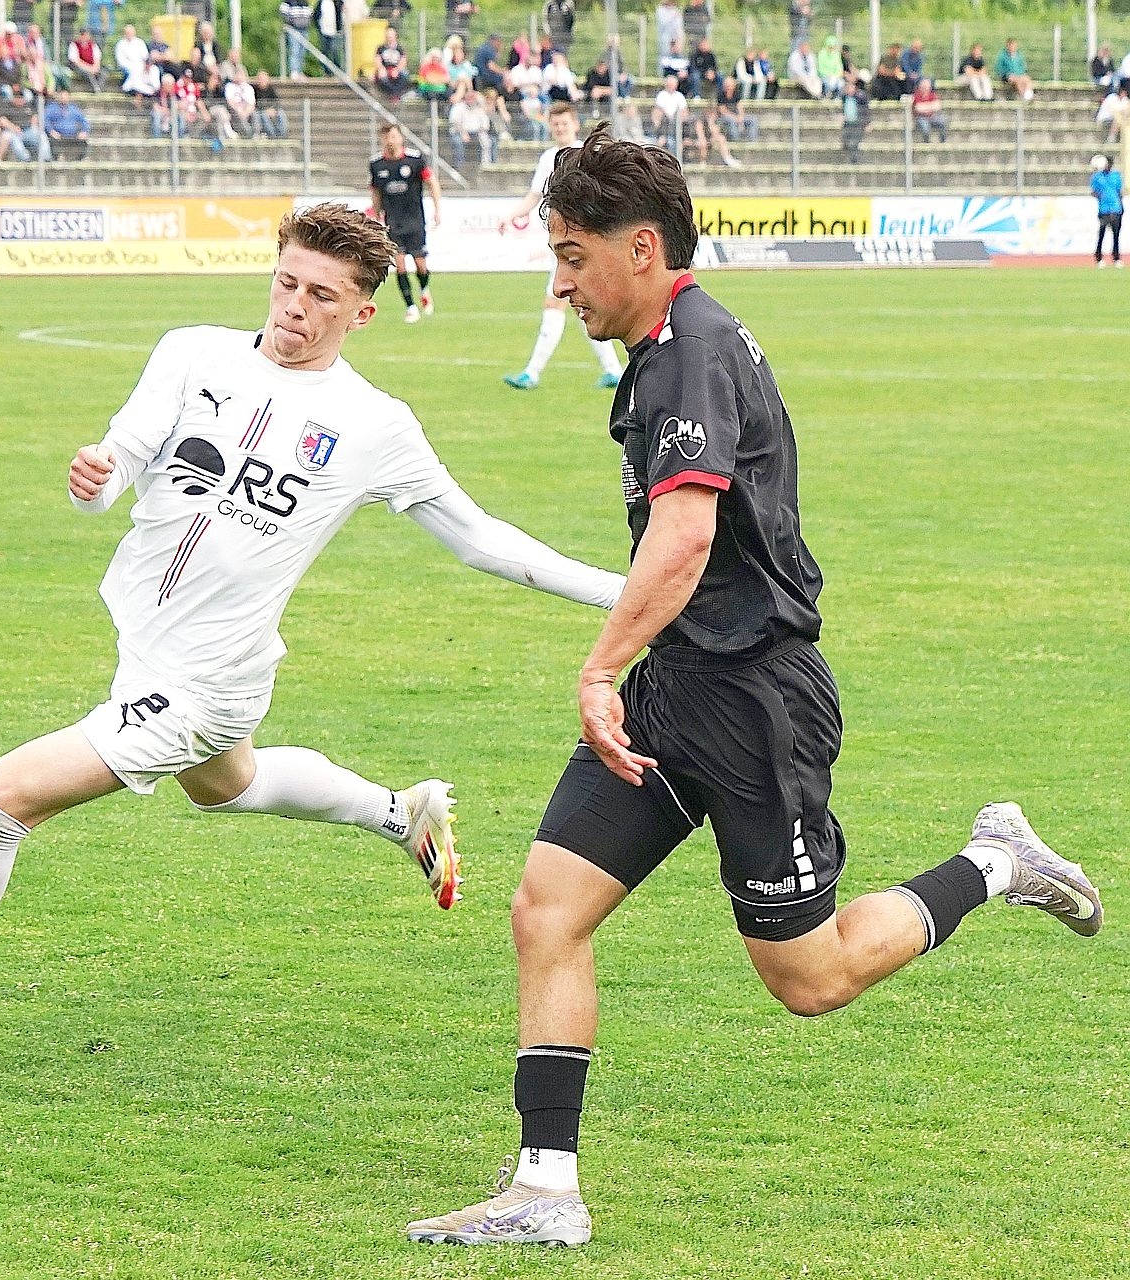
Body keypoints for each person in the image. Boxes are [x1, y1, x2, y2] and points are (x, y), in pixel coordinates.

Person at [406, 124, 1105, 1251]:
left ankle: (995, 861)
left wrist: (599, 667)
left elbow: (684, 538)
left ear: (641, 248)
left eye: (574, 256)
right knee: (547, 907)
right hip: (680, 685)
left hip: (752, 701)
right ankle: (544, 1188)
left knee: (808, 976)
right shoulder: (661, 351)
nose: (560, 283)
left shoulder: (693, 350)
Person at [0, 202, 628, 1044]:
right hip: (151, 648)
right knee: (230, 787)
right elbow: (122, 462)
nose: (296, 306)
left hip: (206, 680)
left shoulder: (375, 424)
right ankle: (400, 813)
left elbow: (480, 539)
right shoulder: (191, 353)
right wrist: (96, 479)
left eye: (323, 296)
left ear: (363, 314)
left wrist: (630, 594)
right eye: (287, 283)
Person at [498, 104, 625, 391]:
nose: (560, 128)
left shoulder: (586, 155)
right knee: (582, 304)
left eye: (564, 123)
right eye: (555, 124)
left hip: (581, 243)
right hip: (564, 243)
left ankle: (532, 373)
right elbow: (534, 196)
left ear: (575, 124)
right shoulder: (548, 159)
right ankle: (613, 370)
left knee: (557, 302)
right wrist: (510, 215)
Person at [369, 124, 442, 324]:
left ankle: (424, 289)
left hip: (415, 220)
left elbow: (432, 182)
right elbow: (375, 191)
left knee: (420, 265)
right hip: (393, 222)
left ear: (401, 138)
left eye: (393, 136)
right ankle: (410, 307)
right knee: (399, 265)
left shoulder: (415, 160)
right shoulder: (376, 164)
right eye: (386, 137)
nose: (390, 140)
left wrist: (437, 209)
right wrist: (376, 214)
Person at [448, 86, 495, 169]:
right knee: (457, 141)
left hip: (476, 132)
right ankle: (459, 165)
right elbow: (455, 123)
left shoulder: (479, 108)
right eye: (469, 98)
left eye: (473, 98)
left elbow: (485, 123)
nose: (471, 100)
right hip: (459, 132)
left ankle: (488, 164)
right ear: (465, 98)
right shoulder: (458, 107)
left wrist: (482, 130)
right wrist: (463, 133)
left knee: (490, 140)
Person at [1093, 154, 1124, 268]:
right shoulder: (1097, 176)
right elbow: (1094, 191)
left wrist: (1121, 206)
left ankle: (1116, 257)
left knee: (1116, 235)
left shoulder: (1116, 176)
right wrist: (1100, 196)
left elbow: (1119, 191)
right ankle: (1098, 257)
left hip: (1116, 208)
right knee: (1101, 233)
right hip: (1104, 209)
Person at [650, 73, 685, 155]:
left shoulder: (679, 96)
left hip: (676, 125)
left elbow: (684, 111)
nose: (672, 86)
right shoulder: (662, 95)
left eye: (673, 84)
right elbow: (658, 110)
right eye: (670, 84)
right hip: (664, 124)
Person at [996, 37, 1032, 102]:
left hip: (1019, 74)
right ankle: (1024, 97)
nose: (1012, 48)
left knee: (1027, 79)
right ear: (1007, 46)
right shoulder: (1003, 56)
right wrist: (1007, 74)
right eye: (1011, 46)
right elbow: (999, 68)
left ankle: (1028, 96)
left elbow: (1023, 67)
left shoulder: (1019, 55)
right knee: (1017, 80)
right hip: (1007, 76)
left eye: (1014, 46)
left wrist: (1020, 74)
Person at [911, 76, 945, 142]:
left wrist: (924, 106)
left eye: (927, 85)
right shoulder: (916, 95)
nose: (926, 87)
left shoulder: (932, 94)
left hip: (932, 116)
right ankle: (927, 143)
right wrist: (931, 106)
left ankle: (943, 141)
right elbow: (918, 108)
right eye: (924, 85)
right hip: (920, 117)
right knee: (925, 128)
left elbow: (938, 106)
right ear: (920, 85)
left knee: (943, 121)